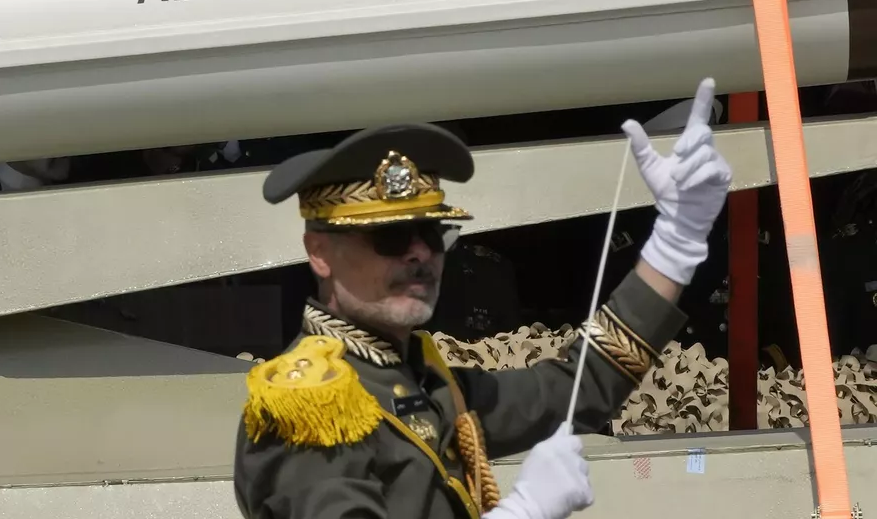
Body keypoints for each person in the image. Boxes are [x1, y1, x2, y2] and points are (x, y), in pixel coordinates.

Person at [232, 79, 733, 519]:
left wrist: (676, 242)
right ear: (319, 253)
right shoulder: (308, 407)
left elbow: (577, 387)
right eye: (390, 237)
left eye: (433, 234)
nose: (419, 254)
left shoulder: (420, 377)